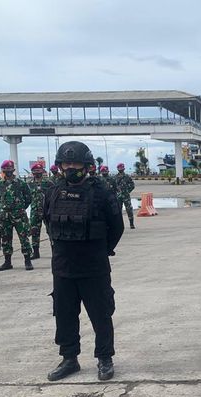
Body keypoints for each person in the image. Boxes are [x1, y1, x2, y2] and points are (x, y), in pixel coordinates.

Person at [44, 141, 124, 381]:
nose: (70, 167)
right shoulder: (53, 192)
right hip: (63, 267)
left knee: (101, 315)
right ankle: (69, 358)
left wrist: (102, 249)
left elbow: (116, 227)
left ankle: (104, 358)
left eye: (75, 163)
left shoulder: (102, 192)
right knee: (65, 315)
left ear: (86, 165)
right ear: (60, 166)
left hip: (93, 267)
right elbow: (47, 222)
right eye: (66, 163)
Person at [0, 160, 34, 271]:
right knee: (6, 239)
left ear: (13, 170)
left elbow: (28, 198)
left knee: (24, 238)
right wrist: (3, 208)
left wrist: (20, 208)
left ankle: (27, 261)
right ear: (3, 171)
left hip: (19, 214)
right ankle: (7, 262)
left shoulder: (21, 183)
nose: (8, 171)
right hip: (4, 215)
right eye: (6, 170)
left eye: (10, 169)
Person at [27, 163, 54, 259]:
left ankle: (54, 252)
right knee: (34, 231)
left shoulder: (49, 183)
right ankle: (36, 252)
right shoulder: (29, 184)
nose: (37, 173)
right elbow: (26, 198)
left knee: (51, 231)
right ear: (32, 172)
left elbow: (54, 196)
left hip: (47, 211)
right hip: (35, 211)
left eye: (39, 171)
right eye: (35, 171)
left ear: (42, 172)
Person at [115, 163, 136, 229]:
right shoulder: (115, 177)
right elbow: (113, 186)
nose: (120, 169)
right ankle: (119, 224)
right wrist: (116, 192)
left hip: (126, 196)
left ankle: (131, 224)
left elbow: (132, 185)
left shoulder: (127, 176)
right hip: (118, 196)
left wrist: (127, 191)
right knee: (118, 211)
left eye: (121, 168)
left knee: (129, 210)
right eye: (119, 168)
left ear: (123, 169)